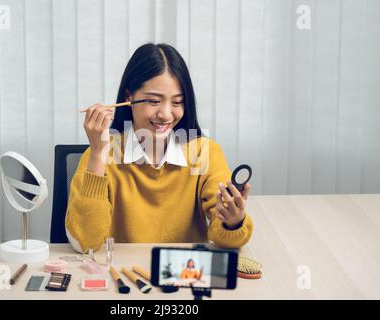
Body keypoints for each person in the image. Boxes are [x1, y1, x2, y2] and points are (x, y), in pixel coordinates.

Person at [65, 43, 253, 252]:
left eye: (177, 102)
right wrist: (98, 155)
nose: (165, 114)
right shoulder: (99, 154)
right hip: (123, 277)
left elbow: (225, 238)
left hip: (183, 276)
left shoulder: (204, 153)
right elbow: (85, 243)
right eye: (154, 101)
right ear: (129, 98)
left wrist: (233, 222)